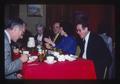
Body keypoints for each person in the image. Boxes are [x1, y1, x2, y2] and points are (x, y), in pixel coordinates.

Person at [74, 12, 112, 79]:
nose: (78, 33)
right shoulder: (82, 39)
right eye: (77, 31)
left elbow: (108, 58)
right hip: (83, 66)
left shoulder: (96, 39)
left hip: (93, 70)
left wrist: (93, 68)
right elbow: (83, 54)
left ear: (86, 29)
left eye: (79, 30)